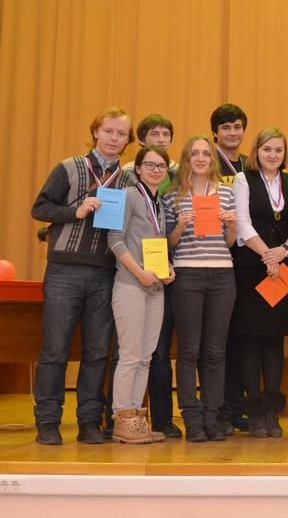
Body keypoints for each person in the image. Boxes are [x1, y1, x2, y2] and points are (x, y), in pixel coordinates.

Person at [31, 106, 134, 445]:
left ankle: (89, 421)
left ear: (127, 140)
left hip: (106, 273)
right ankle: (48, 421)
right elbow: (40, 208)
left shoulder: (129, 180)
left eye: (121, 134)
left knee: (97, 351)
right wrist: (74, 211)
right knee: (55, 349)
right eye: (109, 131)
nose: (114, 138)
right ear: (95, 132)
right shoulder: (68, 167)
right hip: (64, 270)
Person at [163, 134, 237, 442]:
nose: (201, 158)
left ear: (212, 159)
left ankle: (211, 415)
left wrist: (231, 224)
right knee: (189, 350)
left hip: (222, 275)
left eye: (206, 153)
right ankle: (192, 418)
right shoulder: (172, 195)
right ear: (186, 158)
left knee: (216, 351)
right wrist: (180, 226)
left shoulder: (226, 192)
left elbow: (230, 243)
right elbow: (168, 243)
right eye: (195, 153)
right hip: (187, 274)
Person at [114, 113, 182, 439]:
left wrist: (166, 267)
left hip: (155, 288)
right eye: (150, 165)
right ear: (138, 168)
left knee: (146, 356)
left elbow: (157, 242)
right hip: (130, 285)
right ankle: (121, 418)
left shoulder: (160, 202)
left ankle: (137, 420)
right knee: (129, 355)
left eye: (161, 166)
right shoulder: (127, 195)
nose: (156, 170)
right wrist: (140, 272)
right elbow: (114, 240)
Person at [231, 128, 288, 438]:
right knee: (250, 340)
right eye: (267, 149)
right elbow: (242, 223)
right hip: (252, 267)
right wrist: (268, 256)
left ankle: (272, 413)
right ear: (256, 151)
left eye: (278, 150)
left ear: (285, 154)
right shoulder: (243, 179)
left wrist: (284, 251)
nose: (273, 155)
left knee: (274, 341)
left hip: (284, 268)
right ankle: (255, 413)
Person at [210, 103, 249, 434]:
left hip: (246, 259)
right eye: (226, 127)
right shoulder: (206, 164)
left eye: (237, 126)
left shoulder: (252, 164)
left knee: (240, 338)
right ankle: (216, 408)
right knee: (217, 340)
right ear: (215, 133)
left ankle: (236, 407)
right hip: (214, 256)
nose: (232, 132)